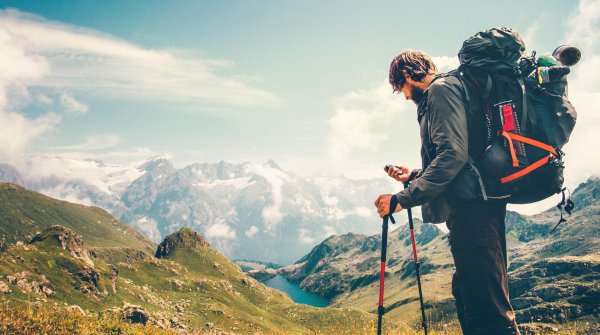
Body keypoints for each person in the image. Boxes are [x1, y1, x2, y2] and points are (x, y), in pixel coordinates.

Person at [373, 50, 521, 335]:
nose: (404, 97)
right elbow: (465, 160)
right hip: (474, 209)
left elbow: (452, 156)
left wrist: (401, 200)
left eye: (400, 89)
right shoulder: (452, 90)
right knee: (470, 295)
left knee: (486, 311)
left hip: (473, 212)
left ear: (406, 75)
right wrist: (414, 175)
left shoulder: (440, 91)